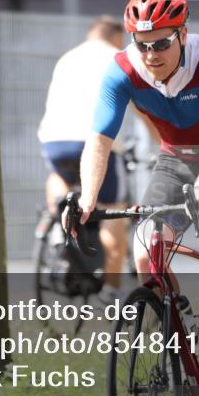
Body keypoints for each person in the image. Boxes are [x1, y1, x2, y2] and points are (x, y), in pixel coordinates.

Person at [73, 0, 199, 396]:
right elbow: (99, 142)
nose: (152, 53)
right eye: (143, 44)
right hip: (174, 160)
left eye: (161, 43)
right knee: (145, 253)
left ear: (182, 34)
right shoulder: (121, 70)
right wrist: (88, 197)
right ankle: (179, 320)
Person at [38, 15, 157, 299]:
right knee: (111, 209)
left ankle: (57, 225)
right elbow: (141, 106)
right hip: (94, 142)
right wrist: (163, 142)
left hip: (55, 140)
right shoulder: (116, 57)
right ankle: (111, 289)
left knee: (60, 178)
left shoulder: (67, 58)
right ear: (117, 36)